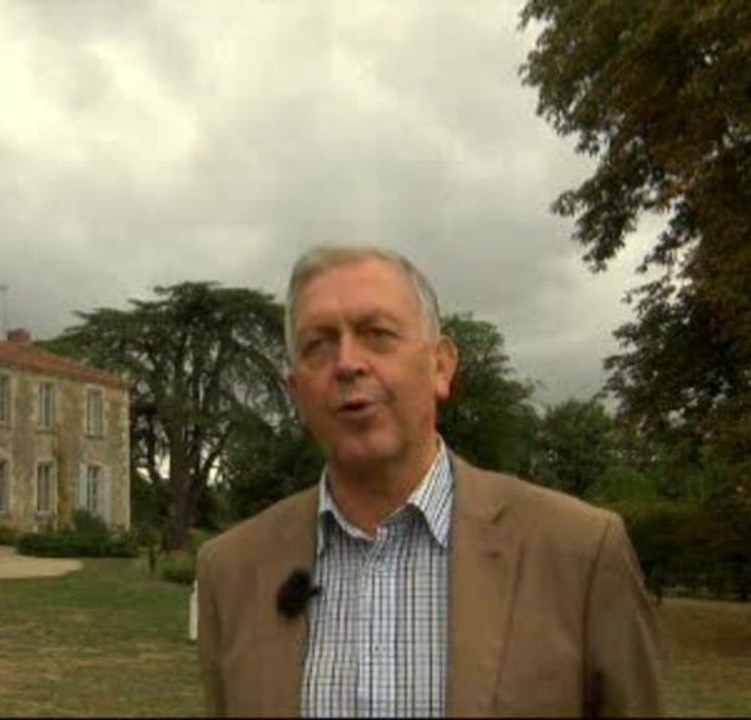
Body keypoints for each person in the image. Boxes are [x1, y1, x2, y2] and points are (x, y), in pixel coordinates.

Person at [195, 244, 661, 717]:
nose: (348, 363)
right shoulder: (230, 571)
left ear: (440, 365)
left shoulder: (578, 551)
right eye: (319, 345)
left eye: (377, 333)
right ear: (295, 393)